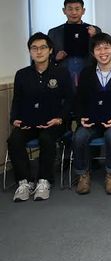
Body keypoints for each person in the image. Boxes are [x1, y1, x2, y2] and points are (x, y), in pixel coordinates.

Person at [9, 33, 73, 202]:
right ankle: (25, 182)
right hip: (28, 123)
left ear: (50, 50)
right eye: (34, 48)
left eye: (43, 47)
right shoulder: (22, 74)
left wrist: (60, 118)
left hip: (53, 122)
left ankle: (44, 180)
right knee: (14, 139)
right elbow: (17, 100)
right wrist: (14, 119)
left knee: (46, 138)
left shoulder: (61, 73)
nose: (39, 52)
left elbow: (70, 100)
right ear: (30, 51)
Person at [72, 33, 111, 195]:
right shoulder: (86, 73)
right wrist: (81, 118)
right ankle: (83, 175)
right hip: (92, 121)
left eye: (106, 48)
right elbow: (79, 100)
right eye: (98, 49)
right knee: (79, 136)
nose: (103, 52)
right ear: (92, 53)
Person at [47, 0, 101, 86]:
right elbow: (46, 57)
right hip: (63, 78)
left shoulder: (95, 30)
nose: (74, 12)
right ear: (64, 11)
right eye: (70, 9)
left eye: (77, 9)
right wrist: (56, 58)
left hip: (89, 77)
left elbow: (103, 53)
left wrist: (95, 37)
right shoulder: (54, 33)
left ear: (83, 11)